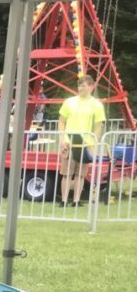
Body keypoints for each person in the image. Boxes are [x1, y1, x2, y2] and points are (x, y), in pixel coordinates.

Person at [58, 74, 105, 207]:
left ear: (91, 87)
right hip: (69, 142)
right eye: (79, 86)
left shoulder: (97, 105)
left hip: (86, 144)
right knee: (66, 173)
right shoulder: (69, 102)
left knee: (80, 174)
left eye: (83, 86)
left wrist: (93, 143)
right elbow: (61, 121)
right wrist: (62, 139)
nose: (80, 88)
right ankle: (64, 200)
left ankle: (76, 201)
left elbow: (98, 126)